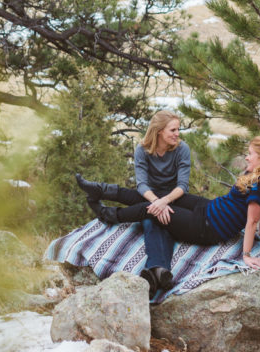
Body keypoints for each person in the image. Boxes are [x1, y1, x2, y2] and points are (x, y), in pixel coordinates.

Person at [77, 133, 260, 292]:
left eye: (251, 154)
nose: (247, 157)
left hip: (206, 228)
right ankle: (102, 190)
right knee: (162, 194)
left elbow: (252, 219)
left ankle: (109, 215)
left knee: (155, 211)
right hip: (208, 209)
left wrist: (246, 255)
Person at [76, 110, 191, 295]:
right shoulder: (142, 150)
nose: (177, 134)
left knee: (151, 218)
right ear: (159, 131)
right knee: (150, 213)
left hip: (173, 198)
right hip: (149, 196)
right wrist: (156, 202)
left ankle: (105, 201)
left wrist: (164, 202)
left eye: (178, 129)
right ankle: (160, 272)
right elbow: (142, 184)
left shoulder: (181, 149)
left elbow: (183, 186)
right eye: (173, 130)